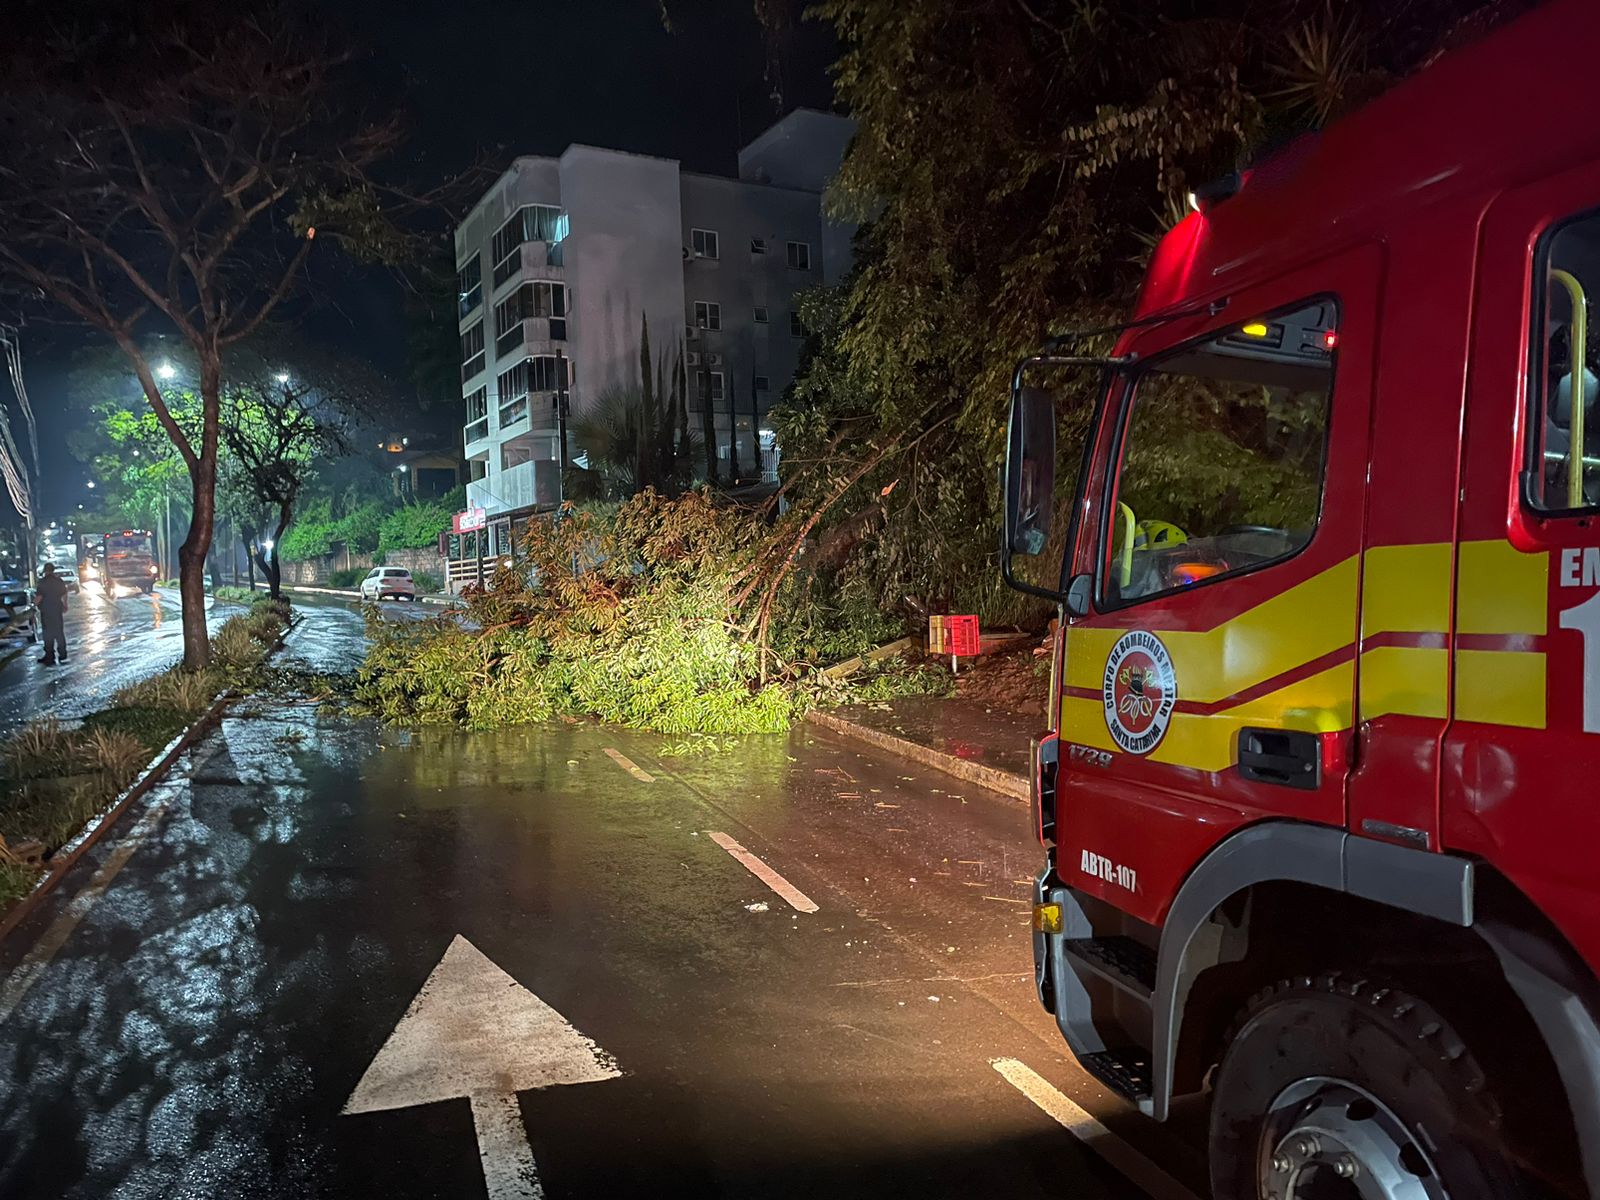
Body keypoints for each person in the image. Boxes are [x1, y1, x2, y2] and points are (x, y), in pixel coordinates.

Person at [35, 562, 69, 666]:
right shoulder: (59, 581)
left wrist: (33, 605)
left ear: (45, 571)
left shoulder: (42, 582)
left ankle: (49, 656)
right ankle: (62, 654)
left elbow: (39, 597)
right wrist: (65, 605)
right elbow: (64, 594)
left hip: (46, 611)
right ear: (53, 570)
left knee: (48, 634)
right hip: (57, 610)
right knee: (59, 632)